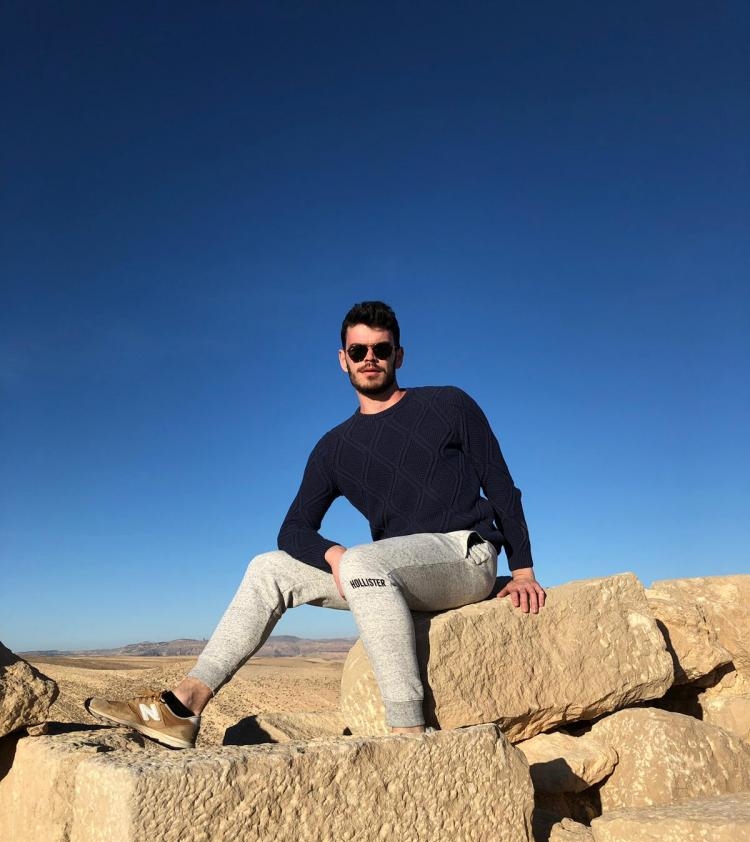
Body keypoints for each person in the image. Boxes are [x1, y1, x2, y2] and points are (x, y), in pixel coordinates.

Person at [87, 301, 545, 749]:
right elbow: (293, 530)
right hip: (387, 577)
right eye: (359, 350)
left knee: (364, 562)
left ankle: (408, 734)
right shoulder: (334, 447)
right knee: (269, 568)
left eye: (381, 350)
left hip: (464, 553)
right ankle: (185, 704)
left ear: (399, 356)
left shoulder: (448, 404)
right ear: (343, 359)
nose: (370, 359)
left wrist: (522, 570)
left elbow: (501, 485)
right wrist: (334, 555)